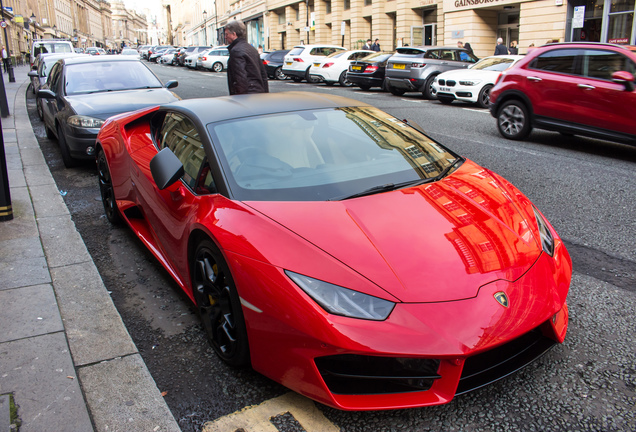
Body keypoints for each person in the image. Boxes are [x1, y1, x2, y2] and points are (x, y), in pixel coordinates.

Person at [224, 20, 269, 95]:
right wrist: (265, 94)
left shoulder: (236, 51)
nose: (225, 37)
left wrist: (239, 98)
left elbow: (240, 79)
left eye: (227, 34)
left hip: (247, 95)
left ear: (234, 34)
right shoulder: (251, 48)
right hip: (258, 92)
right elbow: (263, 74)